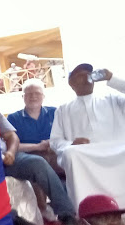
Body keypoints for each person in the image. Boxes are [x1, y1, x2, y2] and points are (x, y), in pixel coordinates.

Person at [0, 110, 81, 225]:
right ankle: (14, 220)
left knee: (38, 163)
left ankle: (67, 215)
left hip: (6, 158)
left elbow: (12, 136)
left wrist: (11, 152)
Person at [51, 64, 125, 208]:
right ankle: (86, 211)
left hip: (117, 149)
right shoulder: (63, 109)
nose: (86, 77)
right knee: (70, 153)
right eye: (80, 75)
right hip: (85, 154)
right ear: (71, 84)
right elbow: (55, 141)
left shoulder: (112, 99)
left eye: (89, 74)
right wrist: (71, 144)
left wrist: (112, 78)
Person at [7, 78, 61, 172]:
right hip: (29, 155)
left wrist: (51, 143)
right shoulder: (13, 118)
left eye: (37, 93)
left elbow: (64, 135)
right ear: (23, 97)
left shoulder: (54, 112)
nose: (33, 96)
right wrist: (37, 147)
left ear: (43, 96)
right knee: (39, 164)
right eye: (29, 94)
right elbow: (11, 145)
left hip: (53, 151)